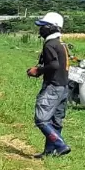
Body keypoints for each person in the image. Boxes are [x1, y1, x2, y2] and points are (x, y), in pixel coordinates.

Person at [27, 12, 72, 158]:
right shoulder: (61, 44)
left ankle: (60, 145)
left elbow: (53, 65)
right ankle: (49, 152)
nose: (40, 29)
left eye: (43, 26)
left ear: (52, 28)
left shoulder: (50, 45)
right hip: (63, 87)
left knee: (41, 119)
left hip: (53, 87)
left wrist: (38, 70)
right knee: (55, 121)